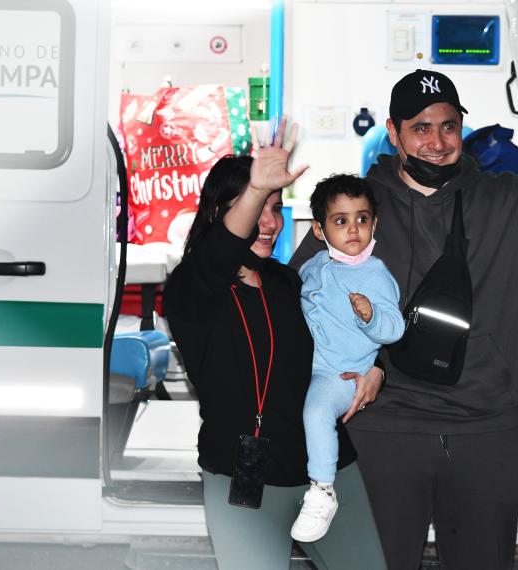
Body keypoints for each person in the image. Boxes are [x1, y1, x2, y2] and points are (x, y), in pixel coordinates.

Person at [290, 69, 518, 569]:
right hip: (384, 430)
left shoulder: (508, 202)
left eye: (448, 126)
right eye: (420, 128)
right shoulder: (355, 210)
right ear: (394, 134)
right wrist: (356, 367)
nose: (437, 142)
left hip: (483, 429)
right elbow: (304, 301)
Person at [163, 120, 386, 570]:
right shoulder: (192, 288)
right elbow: (218, 252)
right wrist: (257, 186)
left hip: (326, 472)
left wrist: (378, 367)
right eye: (255, 208)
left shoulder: (290, 280)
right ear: (220, 212)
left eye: (277, 207)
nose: (269, 222)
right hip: (244, 477)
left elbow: (351, 329)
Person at [289, 174, 403, 543]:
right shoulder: (314, 265)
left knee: (316, 413)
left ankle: (322, 489)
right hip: (306, 364)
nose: (353, 229)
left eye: (362, 219)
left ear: (375, 224)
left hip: (340, 374)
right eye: (341, 221)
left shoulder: (376, 275)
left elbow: (394, 331)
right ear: (319, 231)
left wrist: (371, 316)